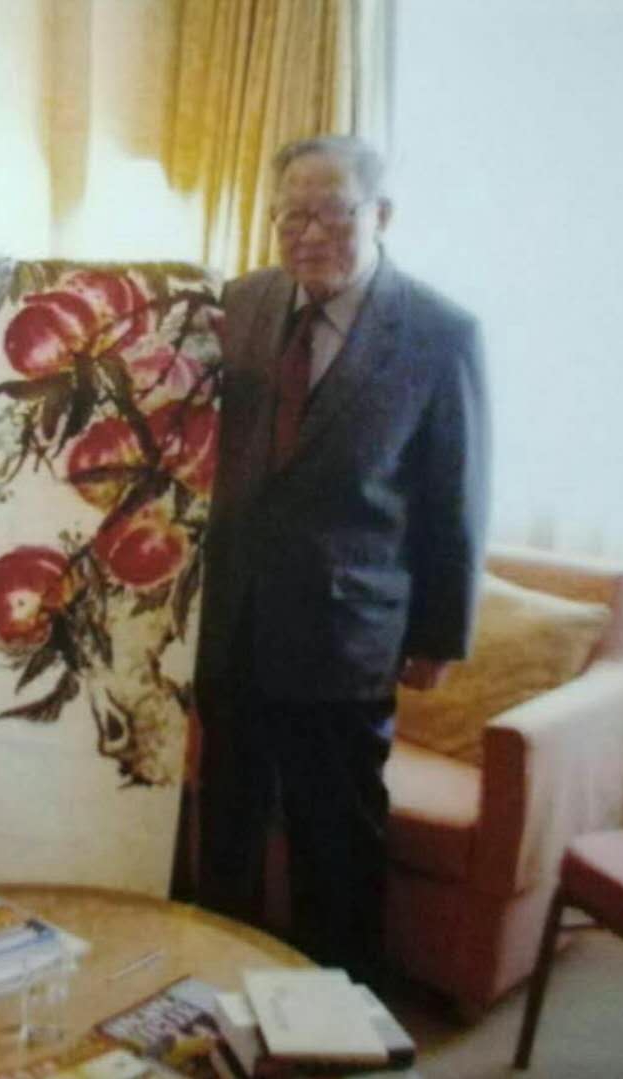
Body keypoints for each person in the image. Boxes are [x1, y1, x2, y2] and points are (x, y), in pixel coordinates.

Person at [195, 134, 490, 986]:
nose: (310, 233)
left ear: (380, 214)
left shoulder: (439, 333)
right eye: (292, 215)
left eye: (332, 212)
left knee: (337, 844)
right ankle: (216, 992)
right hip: (235, 624)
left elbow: (456, 499)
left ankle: (338, 1017)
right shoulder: (241, 302)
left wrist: (440, 636)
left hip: (344, 637)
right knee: (226, 832)